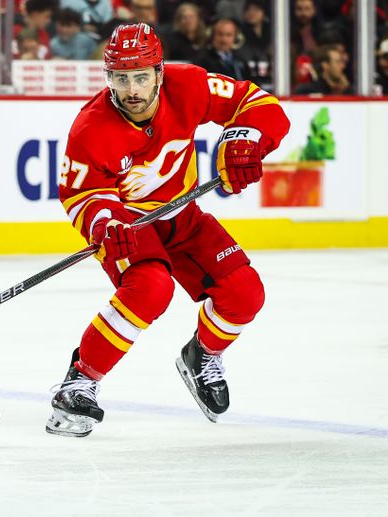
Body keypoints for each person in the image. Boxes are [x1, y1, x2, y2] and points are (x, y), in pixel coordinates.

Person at [46, 23, 289, 437]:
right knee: (150, 288)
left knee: (245, 293)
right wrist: (105, 222)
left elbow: (256, 102)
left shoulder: (188, 85)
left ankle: (202, 355)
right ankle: (79, 381)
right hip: (131, 222)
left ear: (159, 72)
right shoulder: (91, 128)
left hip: (184, 218)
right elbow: (81, 194)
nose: (132, 90)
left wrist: (246, 138)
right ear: (109, 79)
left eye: (141, 77)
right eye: (121, 79)